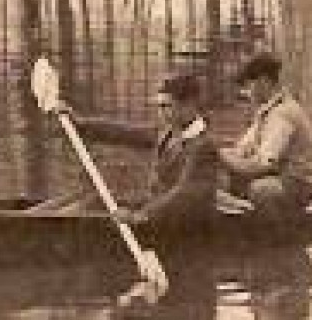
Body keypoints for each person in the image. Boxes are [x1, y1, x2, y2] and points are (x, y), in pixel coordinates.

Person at [60, 71, 227, 234]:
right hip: (158, 214)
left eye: (167, 106)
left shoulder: (203, 146)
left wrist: (141, 215)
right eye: (159, 106)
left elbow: (183, 196)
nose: (161, 113)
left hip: (184, 228)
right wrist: (80, 124)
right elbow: (124, 132)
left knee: (102, 218)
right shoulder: (167, 131)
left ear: (189, 106)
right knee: (91, 204)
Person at [218, 51, 312, 223]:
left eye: (248, 86)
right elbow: (241, 150)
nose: (245, 93)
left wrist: (222, 158)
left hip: (297, 183)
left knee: (260, 190)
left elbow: (263, 164)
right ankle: (237, 223)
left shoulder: (283, 113)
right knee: (221, 177)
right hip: (278, 176)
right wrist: (216, 155)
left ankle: (275, 232)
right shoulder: (266, 111)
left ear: (264, 82)